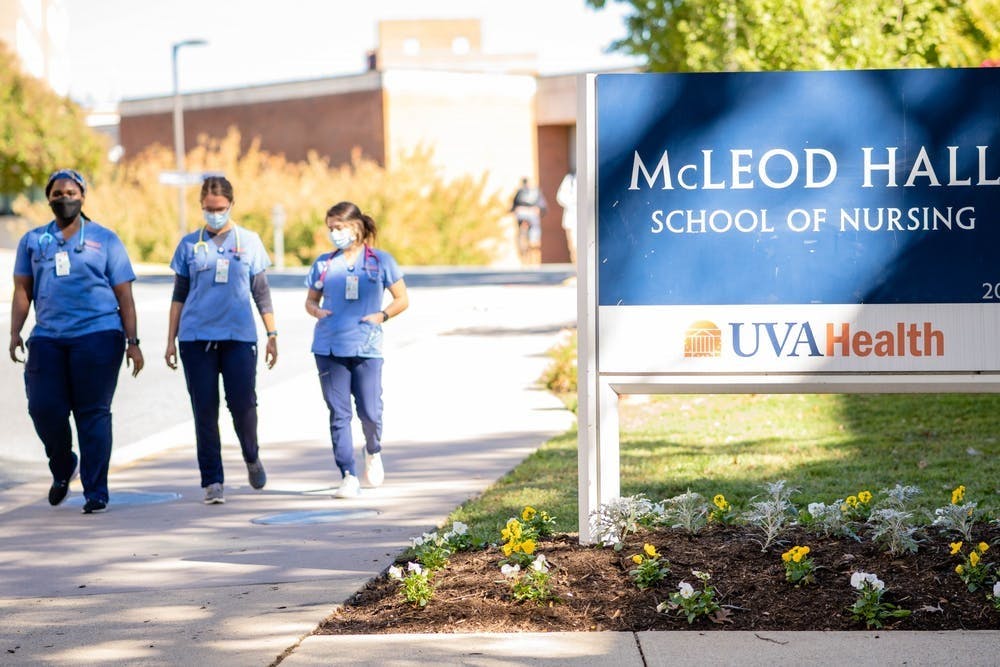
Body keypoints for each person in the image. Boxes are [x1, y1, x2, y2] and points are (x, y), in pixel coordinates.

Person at [9, 168, 144, 514]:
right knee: (43, 407)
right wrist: (15, 332)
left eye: (71, 193)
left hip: (99, 335)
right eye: (57, 194)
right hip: (48, 337)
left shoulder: (106, 239)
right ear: (48, 198)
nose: (64, 199)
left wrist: (133, 341)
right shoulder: (33, 241)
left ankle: (95, 491)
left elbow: (125, 296)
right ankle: (63, 464)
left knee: (92, 413)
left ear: (83, 196)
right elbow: (23, 290)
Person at [164, 175, 277, 505]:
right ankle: (212, 480)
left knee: (243, 404)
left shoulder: (249, 241)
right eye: (209, 208)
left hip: (238, 336)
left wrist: (272, 334)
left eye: (220, 208)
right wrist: (170, 340)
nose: (214, 214)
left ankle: (251, 455)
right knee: (204, 410)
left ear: (231, 205)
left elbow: (261, 292)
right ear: (201, 206)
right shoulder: (189, 245)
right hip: (196, 337)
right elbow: (179, 295)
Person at [304, 201, 408, 498]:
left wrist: (382, 316)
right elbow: (310, 300)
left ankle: (373, 450)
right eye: (330, 228)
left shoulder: (380, 261)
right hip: (329, 347)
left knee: (370, 412)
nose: (334, 233)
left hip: (366, 346)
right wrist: (316, 311)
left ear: (356, 226)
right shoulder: (324, 264)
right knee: (339, 413)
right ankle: (348, 474)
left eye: (338, 227)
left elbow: (402, 298)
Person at [510, 177, 547, 266]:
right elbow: (514, 205)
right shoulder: (520, 192)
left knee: (534, 234)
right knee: (521, 234)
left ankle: (534, 252)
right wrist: (515, 209)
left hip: (533, 216)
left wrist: (538, 209)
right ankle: (523, 253)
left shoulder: (536, 192)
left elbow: (543, 206)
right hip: (522, 216)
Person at [556, 171, 577, 264]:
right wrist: (575, 201)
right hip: (572, 219)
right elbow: (561, 197)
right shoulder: (570, 179)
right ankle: (577, 268)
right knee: (574, 246)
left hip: (589, 220)